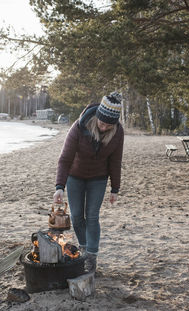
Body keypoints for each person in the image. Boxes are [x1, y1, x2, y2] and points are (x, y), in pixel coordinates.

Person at [53, 92, 124, 274]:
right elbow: (64, 159)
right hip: (75, 177)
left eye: (109, 124)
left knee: (92, 216)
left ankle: (91, 257)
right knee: (77, 216)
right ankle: (84, 248)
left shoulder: (117, 132)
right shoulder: (79, 126)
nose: (105, 127)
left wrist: (115, 188)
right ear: (98, 116)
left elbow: (115, 161)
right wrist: (59, 187)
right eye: (102, 122)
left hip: (98, 179)